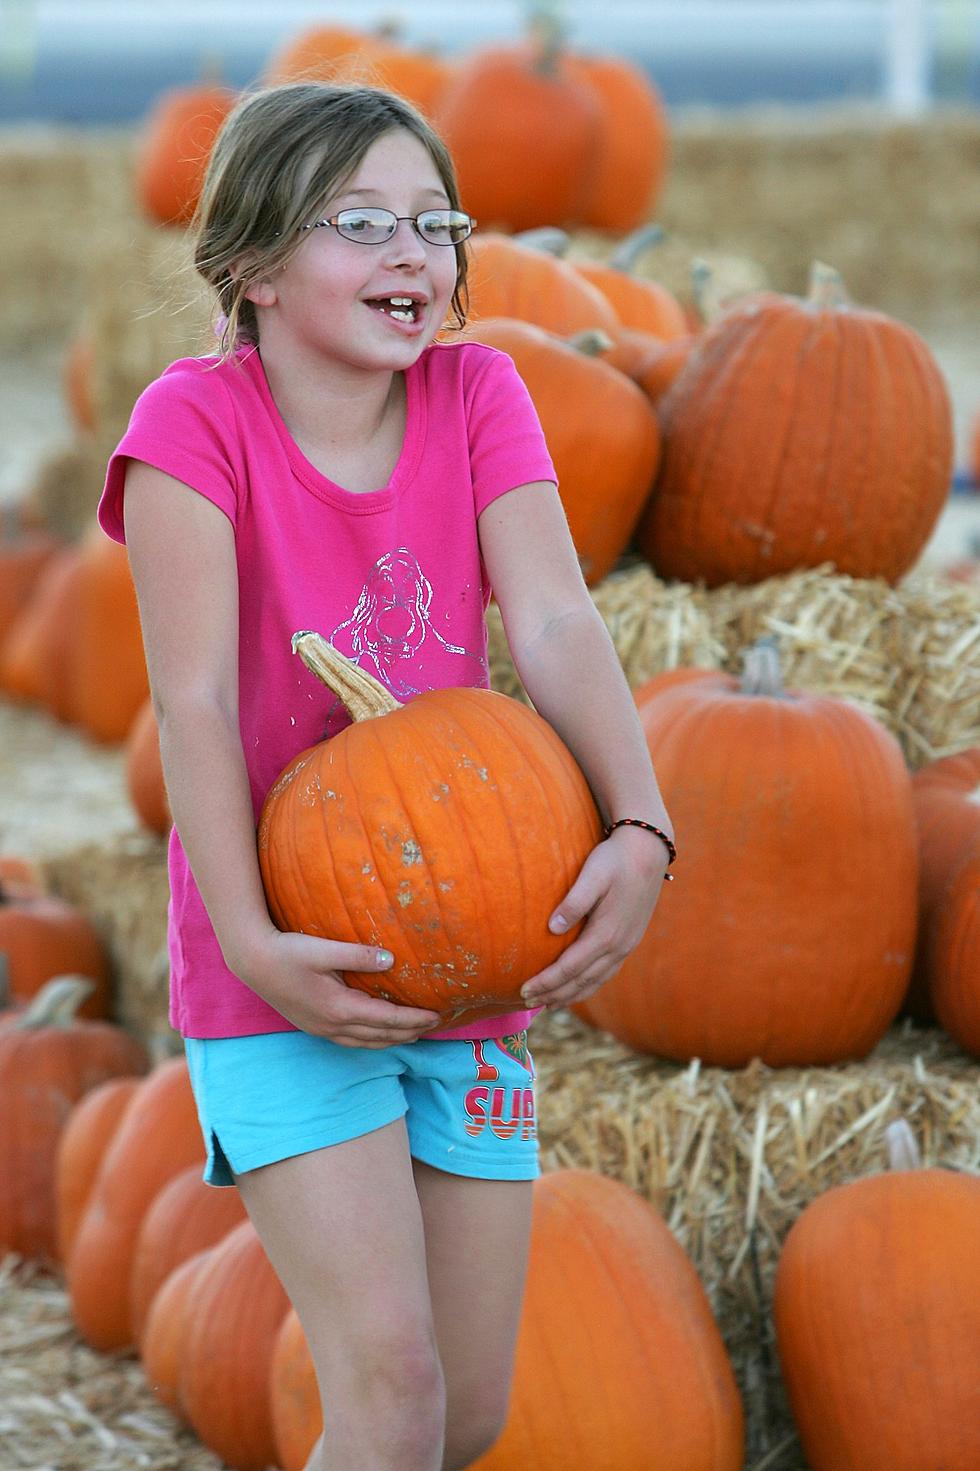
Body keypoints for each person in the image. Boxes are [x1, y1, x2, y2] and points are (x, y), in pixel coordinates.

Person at [98, 81, 673, 1471]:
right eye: (361, 222)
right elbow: (192, 704)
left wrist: (645, 824)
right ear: (252, 264)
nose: (413, 253)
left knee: (463, 1414)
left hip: (469, 942)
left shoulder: (480, 391)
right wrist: (252, 943)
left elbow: (550, 620)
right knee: (394, 1389)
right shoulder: (192, 429)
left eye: (435, 222)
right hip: (284, 964)